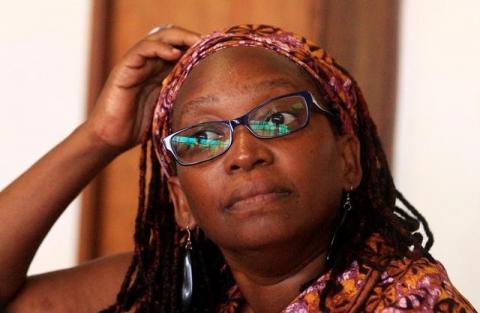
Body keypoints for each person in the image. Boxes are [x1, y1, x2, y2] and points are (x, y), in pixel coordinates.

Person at [0, 24, 475, 313]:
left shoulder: (410, 302)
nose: (245, 154)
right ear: (182, 202)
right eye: (204, 137)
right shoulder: (182, 287)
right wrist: (99, 136)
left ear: (348, 159)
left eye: (279, 119)